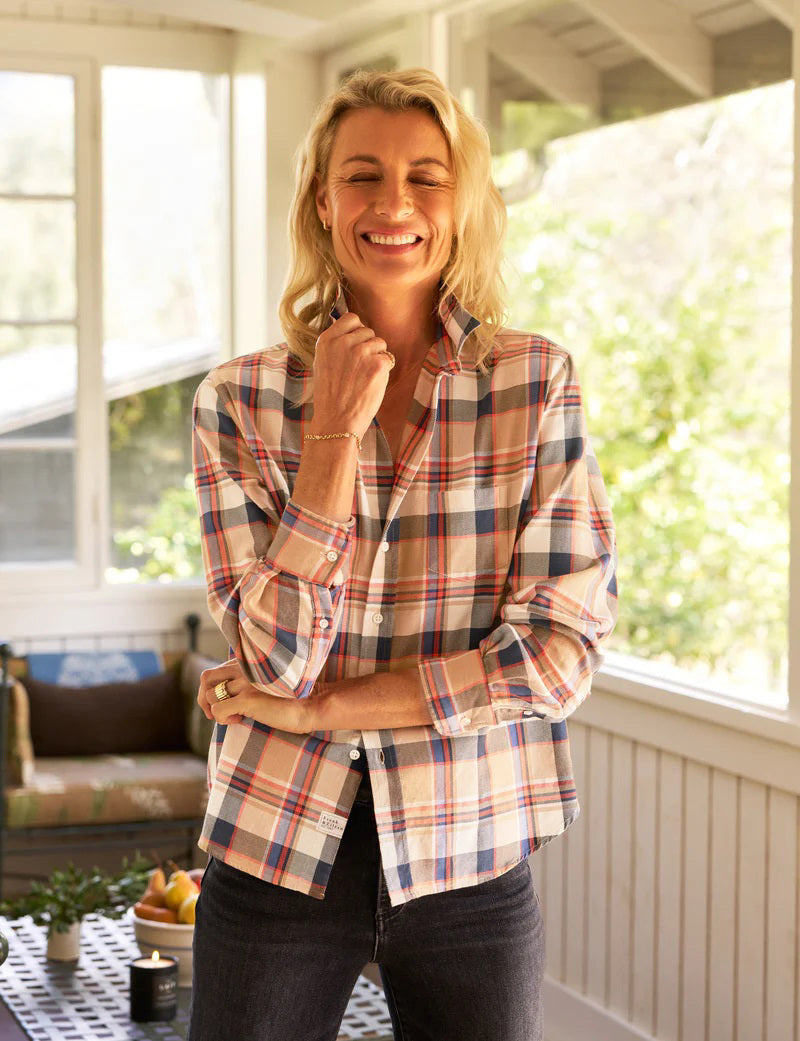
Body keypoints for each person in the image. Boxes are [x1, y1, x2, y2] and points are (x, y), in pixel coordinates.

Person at [187, 67, 617, 1041]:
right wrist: (330, 436)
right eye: (361, 175)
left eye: (426, 176)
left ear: (461, 204)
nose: (392, 203)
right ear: (320, 201)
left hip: (470, 848)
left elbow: (558, 653)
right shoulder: (240, 401)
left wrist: (333, 707)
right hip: (276, 846)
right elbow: (272, 659)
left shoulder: (531, 382)